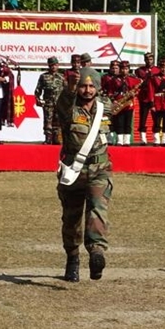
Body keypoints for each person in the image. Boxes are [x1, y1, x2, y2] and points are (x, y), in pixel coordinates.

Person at [55, 66, 113, 282]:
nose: (87, 90)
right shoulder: (69, 108)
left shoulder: (104, 107)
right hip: (73, 171)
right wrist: (70, 86)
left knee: (98, 210)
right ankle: (72, 258)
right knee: (72, 218)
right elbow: (64, 100)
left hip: (100, 169)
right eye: (83, 86)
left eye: (91, 86)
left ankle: (97, 253)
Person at [34, 56, 64, 144]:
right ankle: (48, 138)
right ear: (48, 66)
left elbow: (66, 90)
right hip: (48, 103)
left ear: (58, 65)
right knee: (48, 121)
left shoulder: (62, 77)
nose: (53, 67)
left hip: (60, 103)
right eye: (51, 65)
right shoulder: (43, 76)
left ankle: (57, 138)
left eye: (55, 65)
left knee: (59, 122)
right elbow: (38, 89)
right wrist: (38, 99)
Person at [110, 61, 141, 146]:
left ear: (129, 69)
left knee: (128, 122)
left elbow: (138, 89)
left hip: (129, 104)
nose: (124, 71)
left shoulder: (133, 79)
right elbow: (111, 91)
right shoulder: (115, 79)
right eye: (123, 69)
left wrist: (135, 93)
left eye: (126, 69)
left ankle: (126, 140)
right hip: (119, 103)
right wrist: (114, 100)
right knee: (119, 122)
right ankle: (120, 140)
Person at [134, 52, 160, 145]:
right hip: (144, 97)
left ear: (153, 60)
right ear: (144, 60)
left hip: (155, 98)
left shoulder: (158, 70)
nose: (149, 61)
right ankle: (142, 138)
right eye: (147, 59)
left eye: (151, 59)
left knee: (156, 118)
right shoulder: (139, 71)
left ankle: (156, 138)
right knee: (143, 118)